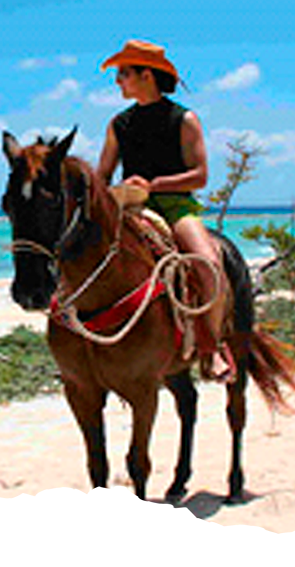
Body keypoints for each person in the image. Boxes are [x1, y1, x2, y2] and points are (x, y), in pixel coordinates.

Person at [95, 39, 234, 383]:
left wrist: (153, 185)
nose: (117, 81)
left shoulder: (184, 119)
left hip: (175, 207)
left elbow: (200, 176)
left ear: (147, 75)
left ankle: (212, 346)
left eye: (124, 74)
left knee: (208, 264)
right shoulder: (118, 124)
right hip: (130, 208)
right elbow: (102, 176)